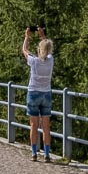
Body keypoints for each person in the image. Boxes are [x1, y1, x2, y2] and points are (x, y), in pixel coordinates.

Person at [22, 28, 56, 161]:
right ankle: (47, 154)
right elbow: (47, 49)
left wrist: (27, 37)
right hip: (46, 94)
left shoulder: (34, 61)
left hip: (33, 93)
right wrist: (43, 36)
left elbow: (24, 50)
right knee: (46, 126)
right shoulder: (50, 60)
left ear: (39, 49)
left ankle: (34, 153)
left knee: (33, 125)